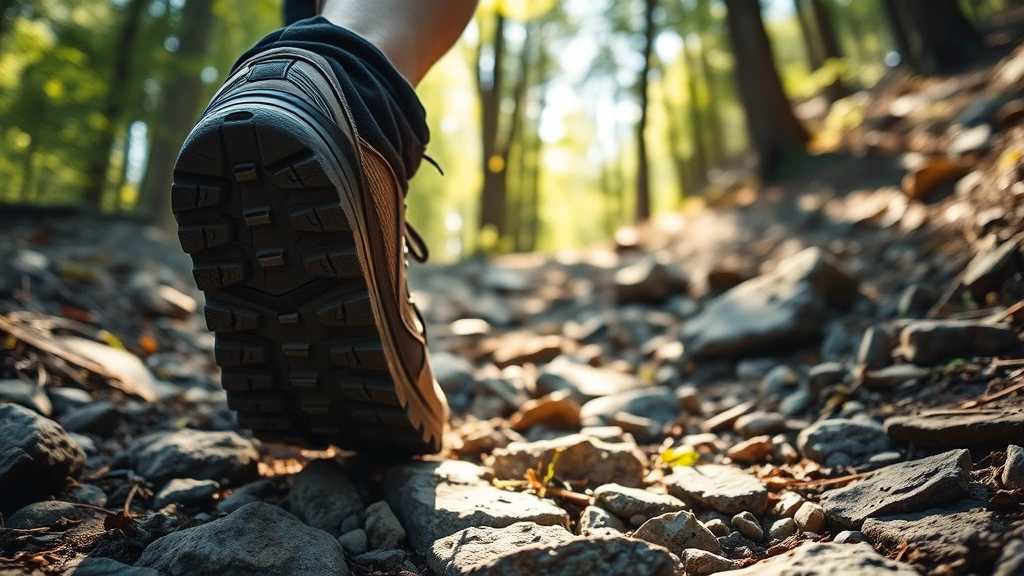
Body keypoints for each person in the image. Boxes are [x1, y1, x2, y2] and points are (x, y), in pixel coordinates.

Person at [171, 0, 479, 454]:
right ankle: (352, 91)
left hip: (301, 94)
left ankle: (297, 83)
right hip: (338, 104)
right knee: (350, 52)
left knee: (316, 36)